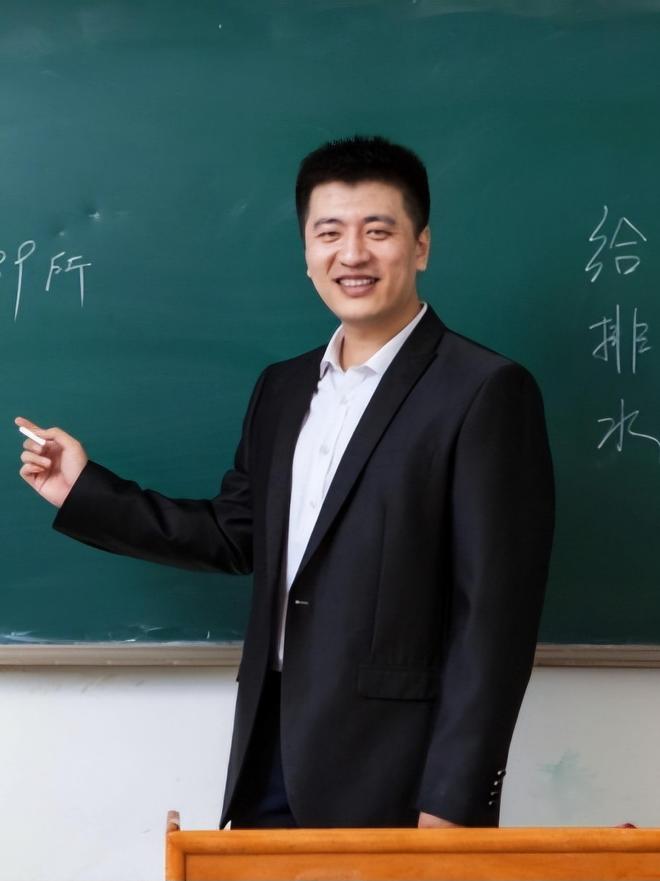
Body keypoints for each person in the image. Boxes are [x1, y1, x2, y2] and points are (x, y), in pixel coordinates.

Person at [16, 135, 554, 830]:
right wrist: (85, 490)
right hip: (268, 746)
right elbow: (234, 534)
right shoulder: (283, 388)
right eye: (329, 233)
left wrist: (454, 798)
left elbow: (495, 620)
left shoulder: (485, 390)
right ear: (306, 253)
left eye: (378, 231)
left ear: (420, 246)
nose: (352, 254)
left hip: (397, 771)